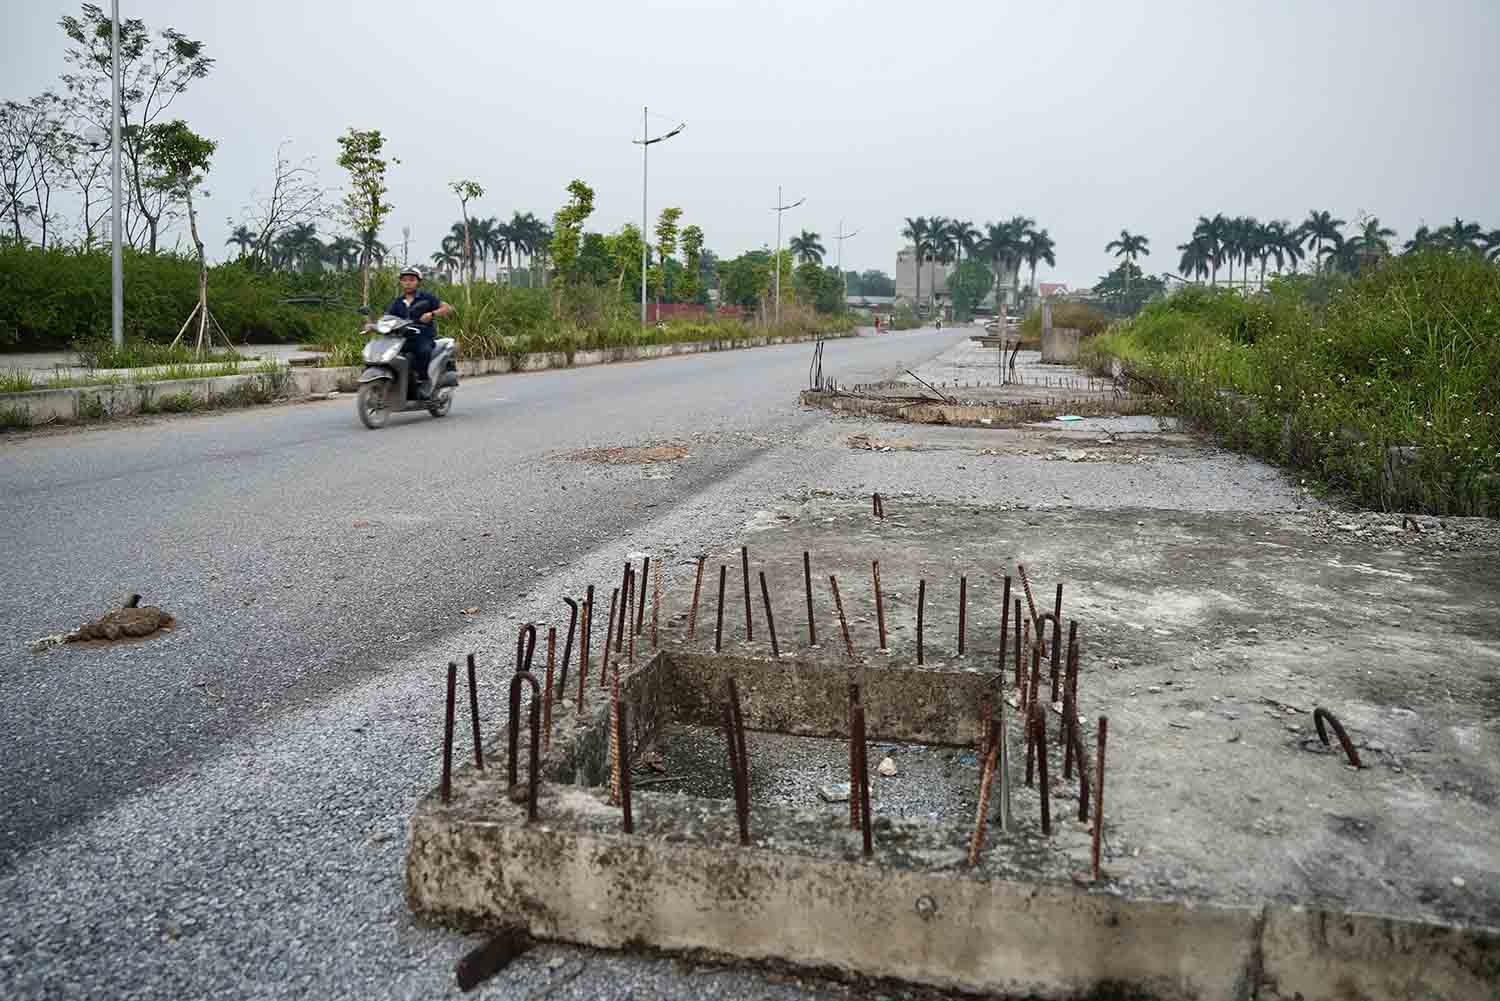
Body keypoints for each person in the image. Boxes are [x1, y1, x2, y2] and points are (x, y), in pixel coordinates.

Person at [387, 266, 453, 398]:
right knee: (388, 355)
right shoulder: (398, 302)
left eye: (411, 279)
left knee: (423, 351)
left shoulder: (426, 298)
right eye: (404, 280)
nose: (408, 283)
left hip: (423, 337)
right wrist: (373, 325)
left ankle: (424, 380)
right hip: (403, 338)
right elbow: (388, 318)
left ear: (418, 282)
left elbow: (448, 308)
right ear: (401, 282)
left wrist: (432, 313)